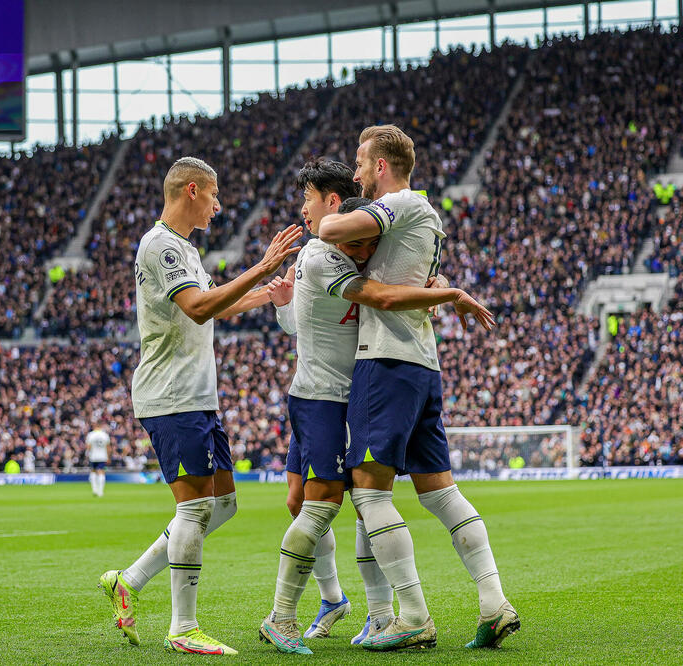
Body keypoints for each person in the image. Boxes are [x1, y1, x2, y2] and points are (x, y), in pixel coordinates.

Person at [259, 162, 494, 654]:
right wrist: (445, 292)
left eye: (368, 242)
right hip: (322, 396)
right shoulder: (323, 257)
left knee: (364, 503)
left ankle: (380, 613)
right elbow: (382, 297)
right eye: (358, 242)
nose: (364, 250)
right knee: (317, 502)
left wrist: (432, 282)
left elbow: (393, 277)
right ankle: (284, 616)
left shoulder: (360, 249)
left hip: (354, 394)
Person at [319, 125, 519, 650]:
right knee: (441, 491)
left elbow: (329, 231)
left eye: (361, 162)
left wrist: (327, 215)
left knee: (368, 491)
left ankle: (411, 616)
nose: (357, 171)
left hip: (384, 363)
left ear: (382, 165)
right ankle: (494, 602)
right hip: (421, 363)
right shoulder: (423, 215)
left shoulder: (400, 204)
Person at [98, 156, 302, 655]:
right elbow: (198, 306)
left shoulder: (186, 249)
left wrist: (267, 294)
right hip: (171, 394)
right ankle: (182, 628)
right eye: (214, 195)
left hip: (197, 396)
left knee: (224, 504)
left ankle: (129, 580)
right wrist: (261, 266)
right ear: (192, 190)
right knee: (193, 509)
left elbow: (214, 303)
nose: (219, 204)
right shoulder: (161, 245)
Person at [86, 427, 111, 497]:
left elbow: (88, 446)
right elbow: (108, 447)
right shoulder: (105, 435)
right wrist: (109, 457)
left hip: (93, 456)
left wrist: (87, 455)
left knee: (93, 471)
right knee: (101, 472)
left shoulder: (91, 434)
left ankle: (94, 490)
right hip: (102, 456)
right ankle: (100, 492)